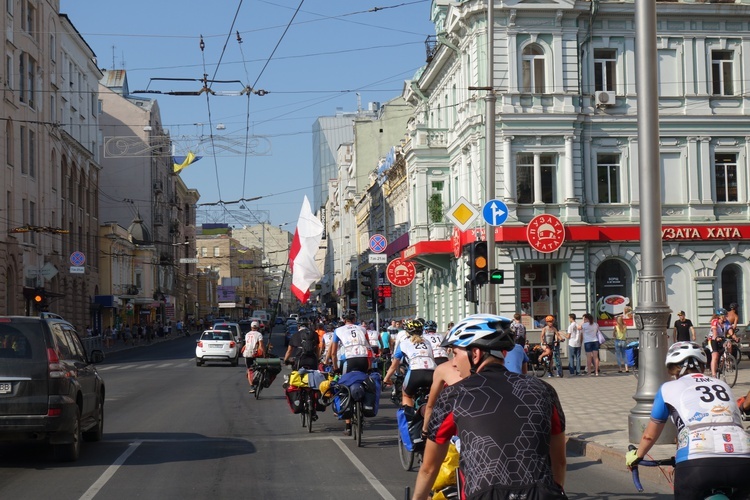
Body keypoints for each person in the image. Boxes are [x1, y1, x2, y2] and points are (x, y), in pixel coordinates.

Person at [413, 314, 567, 500]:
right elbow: (559, 461)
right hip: (542, 494)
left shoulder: (454, 395)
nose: (453, 362)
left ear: (475, 354)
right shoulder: (544, 390)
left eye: (455, 353)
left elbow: (429, 468)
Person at [626, 341, 750, 499]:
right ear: (703, 366)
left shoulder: (667, 388)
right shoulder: (722, 384)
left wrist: (637, 456)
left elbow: (649, 436)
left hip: (697, 461)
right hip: (743, 458)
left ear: (672, 368)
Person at [330, 310, 371, 435]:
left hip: (348, 360)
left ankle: (348, 425)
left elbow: (333, 352)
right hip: (363, 359)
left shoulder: (338, 331)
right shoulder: (363, 329)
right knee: (364, 381)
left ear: (344, 320)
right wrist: (369, 365)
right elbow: (368, 347)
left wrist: (335, 367)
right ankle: (364, 407)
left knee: (344, 388)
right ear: (355, 319)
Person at [384, 319, 435, 407]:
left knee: (406, 394)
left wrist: (386, 379)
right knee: (432, 397)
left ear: (407, 332)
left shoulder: (404, 343)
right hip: (432, 372)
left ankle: (410, 419)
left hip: (415, 372)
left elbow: (394, 365)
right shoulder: (428, 342)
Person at [243, 321, 265, 394]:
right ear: (258, 327)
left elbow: (247, 344)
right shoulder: (259, 334)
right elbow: (261, 345)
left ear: (251, 327)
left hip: (247, 354)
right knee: (259, 368)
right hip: (256, 354)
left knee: (249, 370)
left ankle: (252, 386)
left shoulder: (247, 334)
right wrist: (264, 355)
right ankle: (258, 379)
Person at [707, 309, 727, 378]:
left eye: (726, 315)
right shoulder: (715, 321)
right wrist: (716, 338)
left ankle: (725, 363)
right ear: (720, 316)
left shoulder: (725, 322)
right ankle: (713, 374)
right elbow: (714, 330)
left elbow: (730, 329)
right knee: (715, 355)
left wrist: (734, 337)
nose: (725, 317)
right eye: (724, 316)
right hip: (712, 339)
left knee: (728, 348)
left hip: (721, 339)